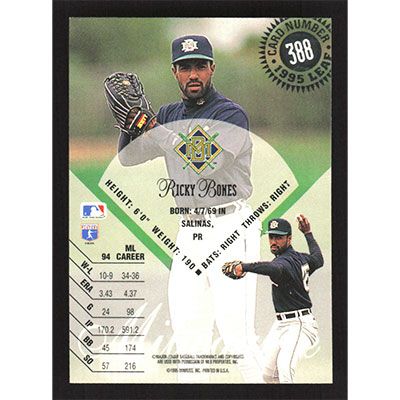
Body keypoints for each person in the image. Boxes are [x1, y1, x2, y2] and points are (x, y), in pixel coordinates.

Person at [116, 35, 263, 383]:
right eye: (185, 67)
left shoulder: (230, 114)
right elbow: (128, 158)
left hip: (231, 229)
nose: (192, 74)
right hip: (189, 234)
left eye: (199, 66)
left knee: (237, 339)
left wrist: (157, 130)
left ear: (212, 68)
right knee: (189, 343)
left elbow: (205, 162)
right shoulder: (169, 114)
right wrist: (128, 125)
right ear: (174, 72)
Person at [227, 214, 324, 383]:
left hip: (300, 324)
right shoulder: (302, 258)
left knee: (285, 369)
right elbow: (318, 259)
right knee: (268, 375)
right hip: (281, 324)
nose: (273, 241)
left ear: (289, 239)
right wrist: (308, 234)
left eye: (279, 237)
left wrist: (244, 266)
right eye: (271, 237)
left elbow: (273, 268)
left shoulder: (284, 263)